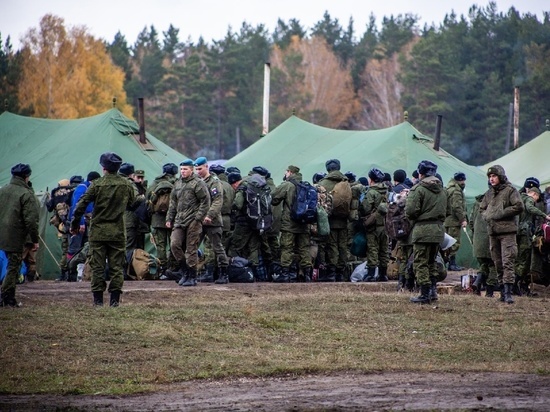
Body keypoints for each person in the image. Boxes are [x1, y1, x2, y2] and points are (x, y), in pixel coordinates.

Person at [71, 152, 136, 307]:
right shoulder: (127, 184)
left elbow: (81, 204)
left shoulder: (97, 184)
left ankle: (98, 301)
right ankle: (114, 301)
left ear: (103, 167)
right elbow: (133, 202)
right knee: (117, 267)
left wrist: (74, 224)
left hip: (98, 232)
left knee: (97, 267)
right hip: (118, 232)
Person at [479, 165, 524, 304]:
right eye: (490, 177)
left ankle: (508, 292)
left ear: (500, 177)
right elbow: (482, 208)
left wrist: (501, 213)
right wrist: (487, 215)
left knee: (508, 261)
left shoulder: (510, 191)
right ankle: (502, 291)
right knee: (497, 262)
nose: (491, 179)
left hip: (507, 232)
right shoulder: (489, 193)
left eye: (494, 176)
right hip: (493, 232)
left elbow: (519, 206)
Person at [405, 160, 447, 304]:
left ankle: (424, 294)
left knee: (420, 262)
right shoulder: (443, 190)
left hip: (422, 230)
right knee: (432, 261)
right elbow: (448, 211)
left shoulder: (418, 189)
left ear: (420, 173)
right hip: (438, 230)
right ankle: (433, 291)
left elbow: (410, 211)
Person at [166, 159, 210, 287]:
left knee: (191, 248)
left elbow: (205, 201)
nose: (183, 171)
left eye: (185, 169)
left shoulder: (198, 184)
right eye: (181, 169)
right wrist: (169, 218)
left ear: (191, 170)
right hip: (179, 220)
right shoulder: (177, 183)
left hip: (193, 220)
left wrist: (198, 218)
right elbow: (173, 203)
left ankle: (192, 275)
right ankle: (185, 270)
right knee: (174, 244)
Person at [0, 164, 40, 307]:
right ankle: (7, 297)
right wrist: (34, 240)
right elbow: (31, 220)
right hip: (15, 236)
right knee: (13, 266)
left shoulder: (3, 190)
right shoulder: (26, 194)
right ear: (26, 177)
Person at [271, 165, 312, 282]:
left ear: (290, 172)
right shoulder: (306, 185)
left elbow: (274, 198)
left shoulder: (287, 185)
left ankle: (285, 274)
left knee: (286, 248)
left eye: (286, 172)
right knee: (304, 249)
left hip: (289, 224)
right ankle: (307, 275)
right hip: (304, 223)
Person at [193, 157, 230, 284]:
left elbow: (218, 201)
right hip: (198, 220)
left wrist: (209, 215)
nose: (198, 171)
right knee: (193, 245)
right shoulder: (197, 181)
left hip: (212, 221)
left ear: (206, 167)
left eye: (200, 169)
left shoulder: (214, 182)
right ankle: (195, 272)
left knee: (217, 247)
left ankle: (223, 274)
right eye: (196, 169)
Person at [318, 159, 352, 281]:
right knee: (342, 246)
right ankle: (340, 273)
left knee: (331, 245)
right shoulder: (347, 182)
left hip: (329, 221)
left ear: (328, 169)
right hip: (344, 220)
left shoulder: (323, 183)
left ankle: (331, 273)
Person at [515, 186, 550, 295]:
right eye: (537, 198)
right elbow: (530, 208)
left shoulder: (519, 197)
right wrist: (545, 215)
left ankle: (515, 285)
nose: (536, 200)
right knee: (524, 260)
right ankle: (515, 284)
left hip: (517, 231)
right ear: (534, 194)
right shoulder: (529, 199)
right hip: (525, 232)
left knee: (518, 259)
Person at [147, 163, 178, 277]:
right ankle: (173, 267)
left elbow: (148, 197)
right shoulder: (177, 182)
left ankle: (162, 269)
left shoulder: (155, 182)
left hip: (157, 219)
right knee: (174, 244)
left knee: (160, 245)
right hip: (173, 218)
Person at [359, 168, 389, 282]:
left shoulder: (371, 192)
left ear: (370, 179)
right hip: (385, 225)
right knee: (384, 250)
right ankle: (383, 274)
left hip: (374, 225)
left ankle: (371, 274)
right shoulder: (386, 190)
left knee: (373, 249)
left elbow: (366, 208)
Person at [469, 193, 498, 296]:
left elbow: (471, 222)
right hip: (491, 238)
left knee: (484, 264)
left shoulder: (477, 203)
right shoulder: (497, 201)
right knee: (494, 265)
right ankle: (489, 292)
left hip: (478, 239)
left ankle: (477, 282)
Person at [444, 172, 468, 271]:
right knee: (454, 243)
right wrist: (462, 219)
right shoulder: (456, 191)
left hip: (447, 220)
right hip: (453, 221)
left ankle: (448, 263)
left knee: (448, 243)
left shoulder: (449, 189)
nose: (464, 182)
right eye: (463, 180)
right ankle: (452, 264)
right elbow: (457, 207)